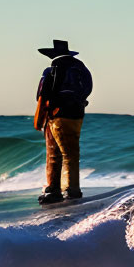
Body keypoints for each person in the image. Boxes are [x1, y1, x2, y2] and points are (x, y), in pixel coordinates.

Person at [33, 39, 93, 204]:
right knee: (71, 153)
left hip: (57, 114)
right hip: (77, 113)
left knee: (55, 154)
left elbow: (42, 96)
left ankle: (61, 190)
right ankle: (68, 189)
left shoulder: (51, 70)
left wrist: (38, 120)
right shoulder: (81, 68)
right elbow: (88, 88)